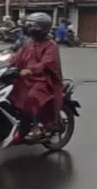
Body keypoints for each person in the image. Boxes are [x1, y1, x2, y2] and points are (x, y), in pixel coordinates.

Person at [10, 12, 63, 140]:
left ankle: (36, 126)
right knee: (11, 91)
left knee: (32, 96)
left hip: (44, 79)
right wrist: (4, 63)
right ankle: (22, 121)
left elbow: (47, 63)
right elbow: (17, 57)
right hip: (26, 78)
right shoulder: (28, 43)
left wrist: (30, 70)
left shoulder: (51, 45)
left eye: (34, 27)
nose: (30, 29)